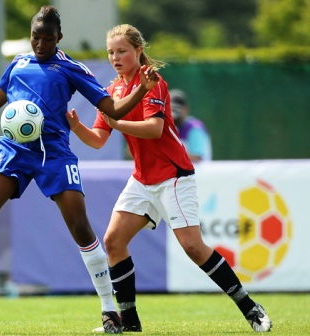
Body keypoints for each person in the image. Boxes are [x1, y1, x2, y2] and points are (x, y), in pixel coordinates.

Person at [0, 6, 159, 334]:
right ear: (30, 35)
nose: (41, 44)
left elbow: (113, 108)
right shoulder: (18, 63)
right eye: (36, 37)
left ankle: (108, 309)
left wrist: (142, 89)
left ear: (58, 38)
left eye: (48, 38)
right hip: (14, 151)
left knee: (81, 228)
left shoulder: (71, 69)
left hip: (54, 156)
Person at [67, 24, 272, 333]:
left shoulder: (152, 81)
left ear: (137, 50)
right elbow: (98, 139)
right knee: (113, 241)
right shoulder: (112, 91)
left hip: (173, 176)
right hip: (142, 180)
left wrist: (117, 123)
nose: (115, 57)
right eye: (111, 52)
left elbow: (155, 129)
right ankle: (128, 324)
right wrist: (75, 126)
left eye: (122, 50)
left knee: (193, 248)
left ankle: (251, 308)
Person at [170, 89, 212, 162]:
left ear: (185, 109)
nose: (173, 113)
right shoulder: (174, 128)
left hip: (200, 172)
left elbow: (197, 157)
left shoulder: (194, 128)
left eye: (175, 109)